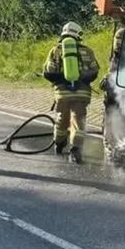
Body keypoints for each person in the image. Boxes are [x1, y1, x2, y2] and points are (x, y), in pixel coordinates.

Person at [43, 21, 100, 163]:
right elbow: (94, 71)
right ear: (78, 34)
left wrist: (63, 79)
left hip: (62, 94)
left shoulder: (56, 50)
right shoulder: (87, 51)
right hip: (82, 93)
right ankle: (76, 149)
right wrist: (81, 78)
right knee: (78, 120)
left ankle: (59, 144)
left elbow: (48, 73)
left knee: (62, 118)